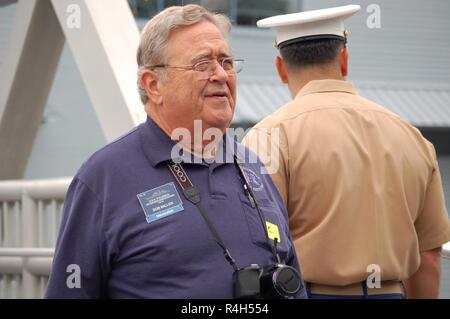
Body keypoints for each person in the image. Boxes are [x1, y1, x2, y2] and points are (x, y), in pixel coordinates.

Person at [45, 4, 307, 299]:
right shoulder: (103, 179)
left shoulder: (252, 165)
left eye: (227, 62)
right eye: (202, 64)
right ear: (153, 85)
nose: (221, 74)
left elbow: (290, 269)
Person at [242, 5, 450, 299]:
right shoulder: (411, 135)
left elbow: (259, 244)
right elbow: (428, 256)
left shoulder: (268, 137)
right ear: (344, 59)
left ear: (280, 68)